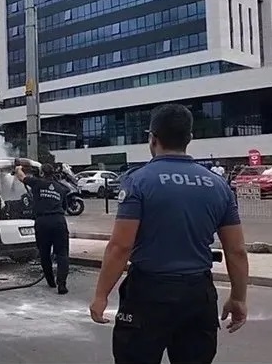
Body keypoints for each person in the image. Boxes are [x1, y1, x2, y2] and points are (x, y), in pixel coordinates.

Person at [88, 104, 249, 364]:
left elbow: (120, 246)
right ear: (190, 139)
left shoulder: (138, 181)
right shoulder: (218, 186)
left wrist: (101, 295)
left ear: (152, 138)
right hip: (198, 295)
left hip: (148, 293)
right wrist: (239, 297)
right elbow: (236, 250)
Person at [15, 162, 70, 294]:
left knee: (44, 253)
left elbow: (21, 177)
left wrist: (18, 168)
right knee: (62, 254)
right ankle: (61, 285)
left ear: (41, 173)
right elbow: (64, 207)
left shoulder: (36, 183)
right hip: (58, 221)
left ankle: (50, 281)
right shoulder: (60, 188)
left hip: (42, 222)